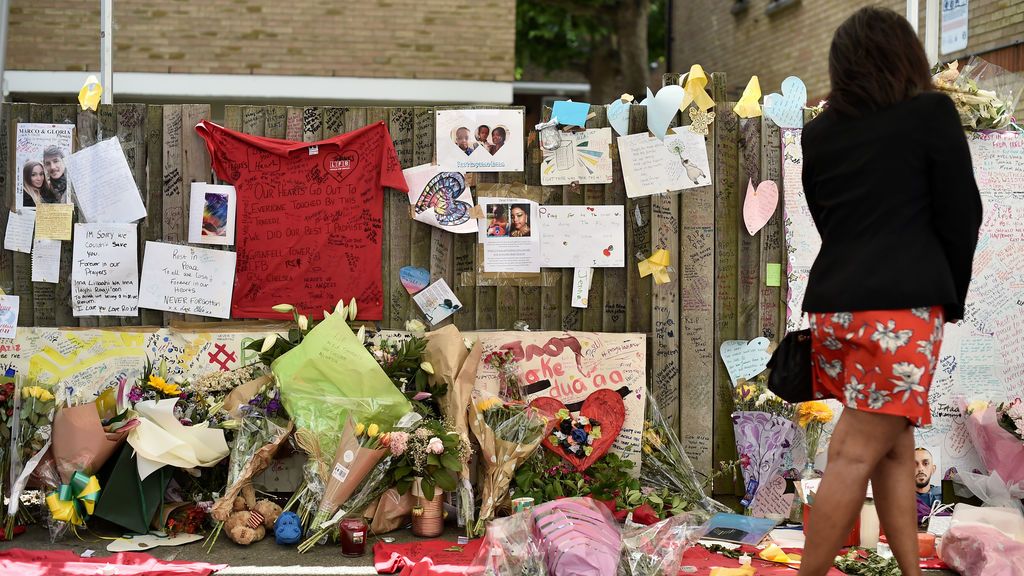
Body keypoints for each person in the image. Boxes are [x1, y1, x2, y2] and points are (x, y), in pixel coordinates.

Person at [796, 8, 982, 576]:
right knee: (854, 452)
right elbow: (962, 214)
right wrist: (949, 292)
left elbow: (825, 216)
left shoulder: (820, 132)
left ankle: (908, 569)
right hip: (899, 314)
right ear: (906, 56)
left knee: (895, 443)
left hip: (835, 309)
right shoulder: (930, 113)